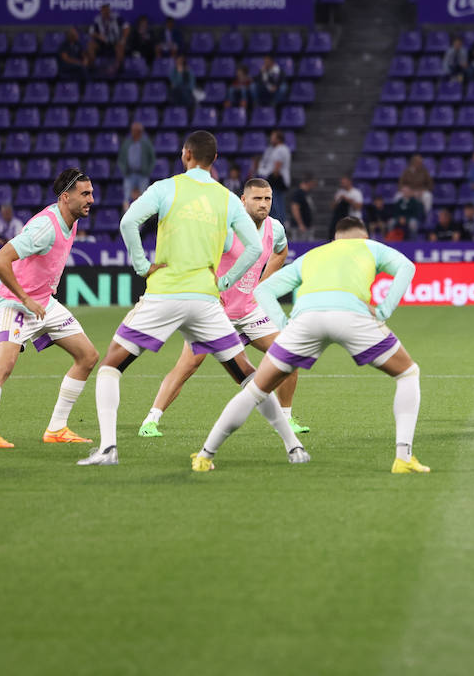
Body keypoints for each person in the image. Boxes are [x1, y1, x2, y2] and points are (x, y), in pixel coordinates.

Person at [83, 130, 302, 467]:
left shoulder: (165, 187)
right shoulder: (228, 198)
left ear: (186, 154)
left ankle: (109, 449)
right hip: (206, 298)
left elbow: (128, 221)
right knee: (247, 374)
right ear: (214, 161)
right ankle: (293, 446)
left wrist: (142, 264)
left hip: (165, 292)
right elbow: (257, 248)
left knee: (112, 364)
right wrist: (227, 278)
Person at [192, 216, 428, 473]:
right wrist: (383, 311)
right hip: (352, 314)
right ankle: (403, 458)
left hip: (305, 319)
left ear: (336, 239)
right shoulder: (370, 247)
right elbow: (407, 267)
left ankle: (205, 456)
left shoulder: (314, 255)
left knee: (255, 391)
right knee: (407, 373)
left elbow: (263, 290)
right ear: (363, 236)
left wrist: (284, 324)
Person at [140, 179, 310, 438]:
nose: (263, 204)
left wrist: (263, 286)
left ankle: (286, 418)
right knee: (188, 365)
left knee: (289, 353)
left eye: (267, 199)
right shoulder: (227, 227)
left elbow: (281, 252)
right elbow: (195, 254)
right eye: (257, 199)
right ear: (243, 200)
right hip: (214, 312)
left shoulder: (274, 228)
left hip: (250, 310)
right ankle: (151, 419)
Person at [0, 170, 101, 448]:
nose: (92, 199)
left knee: (88, 356)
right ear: (65, 197)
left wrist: (36, 299)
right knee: (4, 365)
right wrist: (25, 299)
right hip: (17, 304)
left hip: (44, 303)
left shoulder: (73, 218)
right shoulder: (44, 227)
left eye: (91, 193)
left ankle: (56, 428)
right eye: (85, 194)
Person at [257, 129, 292, 223]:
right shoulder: (275, 149)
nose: (271, 139)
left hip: (276, 180)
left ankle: (279, 226)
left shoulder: (281, 150)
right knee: (276, 205)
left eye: (273, 137)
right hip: (274, 180)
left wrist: (272, 178)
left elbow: (277, 166)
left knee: (277, 206)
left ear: (278, 139)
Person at [117, 122, 155, 206]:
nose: (135, 132)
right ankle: (126, 216)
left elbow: (152, 158)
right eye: (134, 130)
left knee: (144, 199)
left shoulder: (146, 143)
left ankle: (144, 218)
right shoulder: (127, 143)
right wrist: (124, 170)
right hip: (129, 174)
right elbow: (121, 159)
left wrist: (147, 171)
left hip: (143, 175)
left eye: (137, 130)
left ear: (141, 131)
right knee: (126, 199)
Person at [87, 2, 129, 74]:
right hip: (102, 42)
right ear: (101, 11)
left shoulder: (117, 17)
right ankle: (91, 68)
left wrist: (123, 39)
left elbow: (126, 27)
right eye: (104, 10)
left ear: (109, 10)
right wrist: (99, 36)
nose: (106, 12)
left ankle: (120, 69)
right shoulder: (97, 19)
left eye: (107, 9)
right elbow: (91, 32)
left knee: (120, 46)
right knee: (91, 45)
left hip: (115, 41)